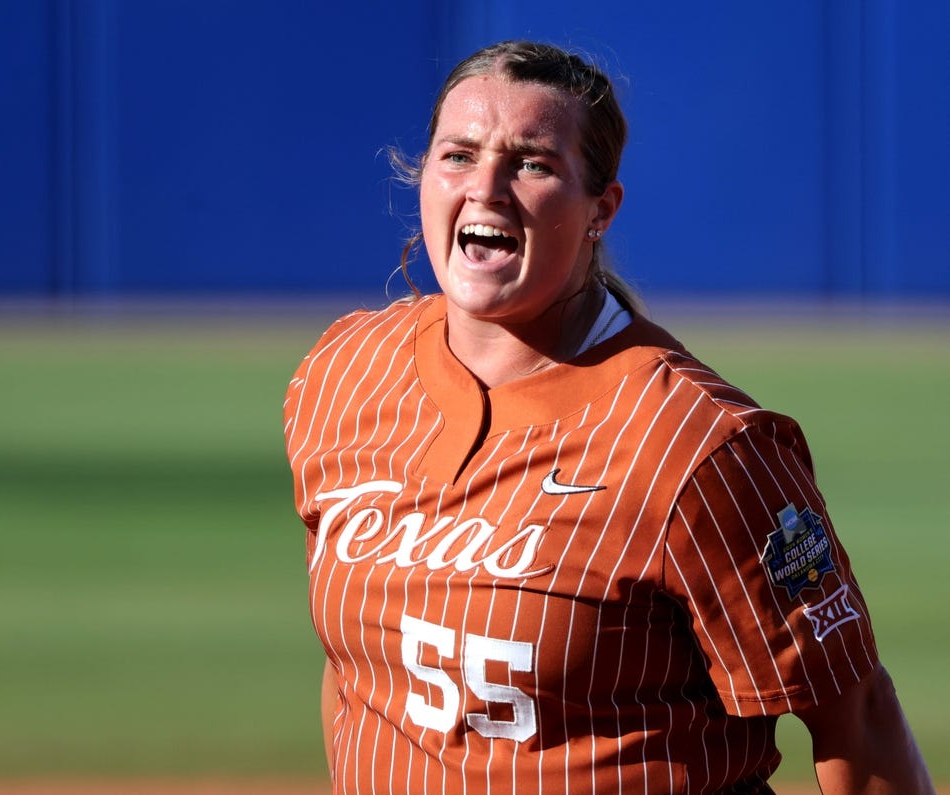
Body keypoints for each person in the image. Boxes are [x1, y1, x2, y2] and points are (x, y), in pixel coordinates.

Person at [283, 40, 934, 793]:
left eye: (532, 163)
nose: (486, 187)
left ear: (601, 209)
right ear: (420, 174)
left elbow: (856, 716)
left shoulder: (697, 443)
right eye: (457, 155)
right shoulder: (342, 375)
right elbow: (359, 672)